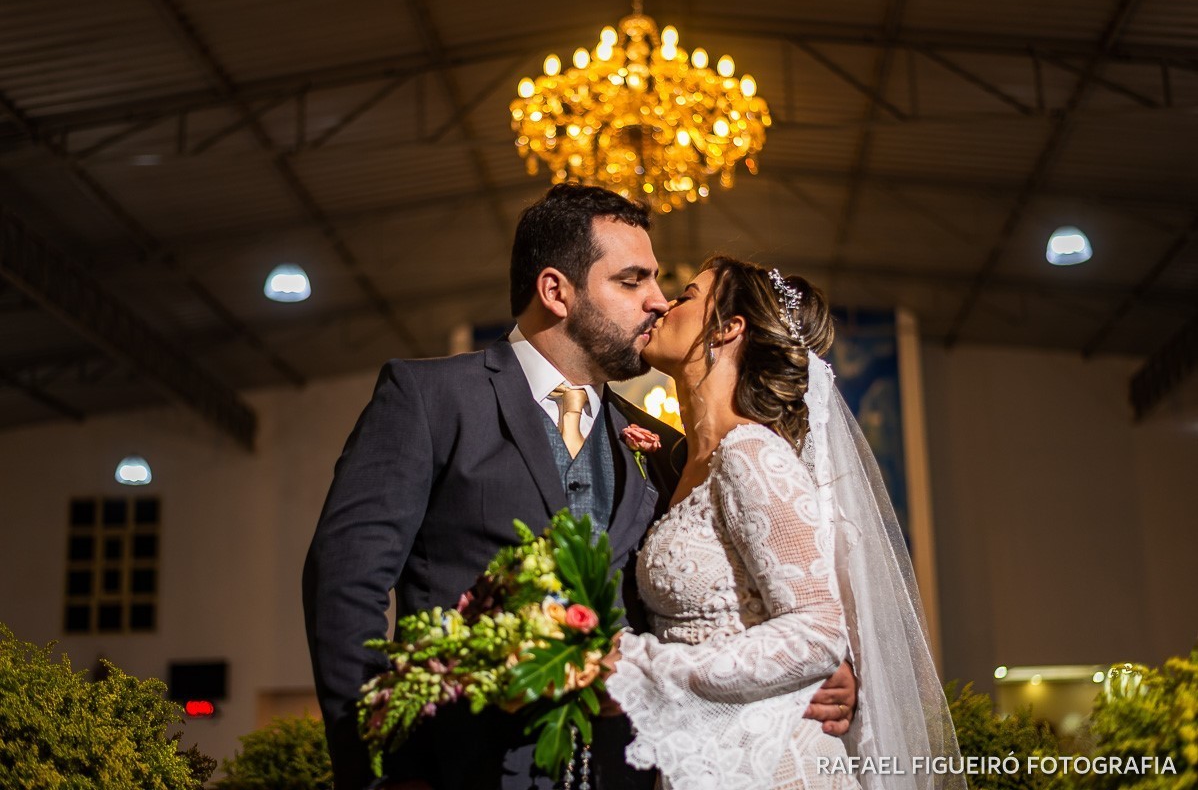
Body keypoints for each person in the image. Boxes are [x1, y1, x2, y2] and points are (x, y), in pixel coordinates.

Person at [302, 185, 856, 790]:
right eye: (632, 281)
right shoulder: (430, 400)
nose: (658, 300)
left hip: (631, 770)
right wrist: (382, 767)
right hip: (463, 766)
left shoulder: (669, 446)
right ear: (556, 291)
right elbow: (344, 581)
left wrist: (823, 673)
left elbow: (729, 589)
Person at [605, 256, 964, 789]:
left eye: (687, 295)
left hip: (770, 766)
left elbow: (819, 631)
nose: (663, 303)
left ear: (728, 329)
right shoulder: (684, 464)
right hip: (698, 763)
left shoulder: (750, 451)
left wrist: (644, 668)